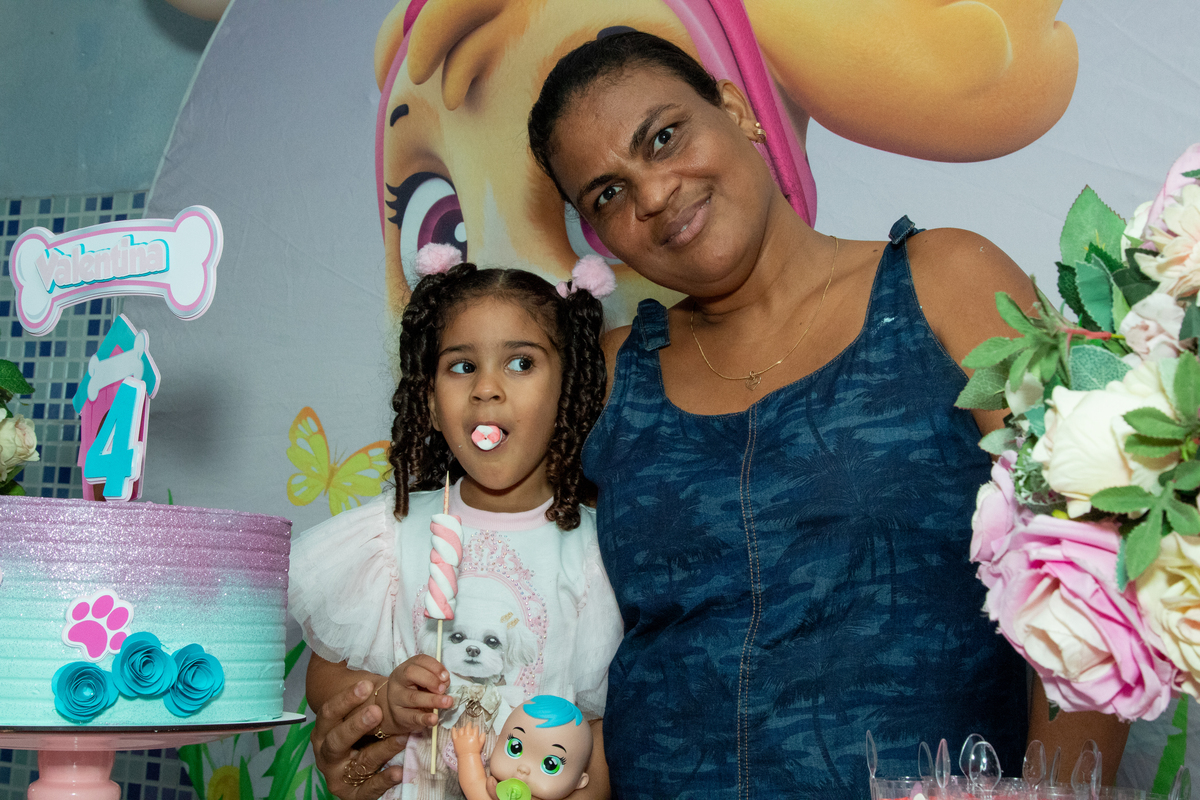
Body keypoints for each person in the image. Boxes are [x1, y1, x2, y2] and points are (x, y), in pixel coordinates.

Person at [520, 30, 1130, 800]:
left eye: (664, 137)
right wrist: (382, 702)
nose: (653, 195)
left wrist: (1052, 793)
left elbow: (1099, 562)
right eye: (607, 194)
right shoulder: (609, 377)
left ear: (734, 109)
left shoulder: (943, 287)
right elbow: (495, 573)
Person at [290, 244, 623, 800]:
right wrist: (384, 698)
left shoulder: (595, 551)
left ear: (568, 390)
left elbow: (598, 731)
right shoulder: (390, 533)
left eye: (521, 363)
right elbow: (323, 682)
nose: (486, 387)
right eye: (462, 366)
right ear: (429, 398)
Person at [452, 695, 594, 800]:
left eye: (550, 764)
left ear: (580, 781)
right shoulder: (497, 793)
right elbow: (473, 784)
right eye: (515, 747)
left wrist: (468, 754)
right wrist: (468, 754)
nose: (523, 768)